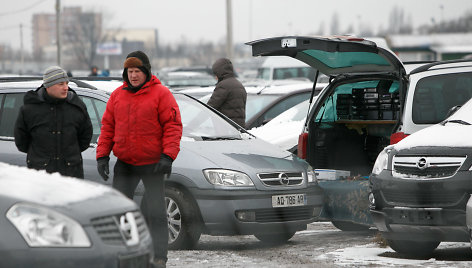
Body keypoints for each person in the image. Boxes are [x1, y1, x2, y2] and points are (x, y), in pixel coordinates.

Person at [96, 51, 182, 268]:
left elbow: (173, 126)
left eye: (137, 71)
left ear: (146, 72)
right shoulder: (117, 95)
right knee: (119, 211)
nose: (133, 75)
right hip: (125, 162)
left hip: (153, 163)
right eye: (130, 71)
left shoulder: (161, 94)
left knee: (156, 212)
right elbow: (108, 127)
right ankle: (122, 252)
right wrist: (102, 156)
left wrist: (167, 156)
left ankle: (159, 256)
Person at [14, 66, 93, 179]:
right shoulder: (29, 109)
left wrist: (70, 154)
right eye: (61, 84)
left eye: (66, 83)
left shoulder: (77, 107)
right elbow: (21, 141)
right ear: (48, 86)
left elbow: (85, 137)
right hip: (40, 174)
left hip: (71, 174)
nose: (66, 88)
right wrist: (40, 157)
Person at [207, 57, 247, 128]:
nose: (215, 77)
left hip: (226, 130)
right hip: (238, 129)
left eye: (215, 74)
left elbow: (209, 108)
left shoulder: (223, 86)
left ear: (220, 72)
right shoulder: (239, 85)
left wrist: (193, 125)